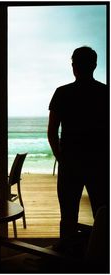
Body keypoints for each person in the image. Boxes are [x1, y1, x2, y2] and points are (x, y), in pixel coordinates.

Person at [47, 46, 109, 252]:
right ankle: (100, 259)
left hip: (70, 163)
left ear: (74, 67)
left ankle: (65, 261)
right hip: (100, 164)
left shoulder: (63, 93)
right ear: (95, 65)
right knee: (102, 216)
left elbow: (52, 132)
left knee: (68, 217)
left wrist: (60, 157)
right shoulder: (105, 93)